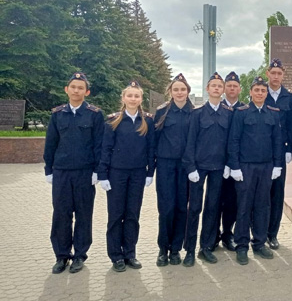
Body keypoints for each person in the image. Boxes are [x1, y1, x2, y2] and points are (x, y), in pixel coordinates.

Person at [43, 72, 104, 274]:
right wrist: (48, 169)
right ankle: (61, 256)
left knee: (84, 215)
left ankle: (79, 255)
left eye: (80, 87)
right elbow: (50, 144)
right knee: (61, 214)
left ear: (86, 92)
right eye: (73, 87)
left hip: (85, 173)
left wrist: (97, 171)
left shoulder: (95, 114)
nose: (76, 90)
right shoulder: (57, 114)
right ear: (66, 89)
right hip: (61, 172)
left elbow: (99, 145)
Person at [98, 81, 155, 272]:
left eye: (136, 96)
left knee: (132, 215)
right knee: (116, 215)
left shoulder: (147, 120)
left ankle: (130, 253)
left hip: (138, 174)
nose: (133, 99)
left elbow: (151, 149)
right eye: (129, 95)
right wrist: (103, 174)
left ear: (141, 99)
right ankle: (116, 256)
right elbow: (105, 149)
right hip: (116, 174)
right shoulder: (113, 120)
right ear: (123, 98)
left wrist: (150, 172)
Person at [227, 76, 283, 265]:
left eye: (263, 91)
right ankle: (241, 245)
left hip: (266, 166)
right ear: (250, 92)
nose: (260, 93)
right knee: (243, 206)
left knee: (262, 205)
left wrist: (277, 165)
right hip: (246, 167)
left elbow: (277, 141)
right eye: (256, 90)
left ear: (267, 94)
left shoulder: (273, 113)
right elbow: (233, 140)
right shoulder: (241, 113)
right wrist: (234, 166)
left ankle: (259, 243)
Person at [182, 72, 233, 266]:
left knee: (213, 208)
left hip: (218, 168)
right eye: (213, 85)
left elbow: (230, 142)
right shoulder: (197, 114)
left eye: (220, 86)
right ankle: (189, 249)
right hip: (199, 168)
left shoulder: (228, 113)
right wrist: (190, 167)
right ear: (207, 89)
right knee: (194, 208)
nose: (217, 89)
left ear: (223, 90)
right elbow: (190, 142)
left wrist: (229, 163)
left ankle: (205, 247)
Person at [153, 73, 194, 267]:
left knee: (181, 208)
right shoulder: (162, 112)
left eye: (183, 89)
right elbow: (154, 140)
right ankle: (163, 249)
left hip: (185, 167)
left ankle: (176, 249)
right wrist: (150, 168)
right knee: (166, 208)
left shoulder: (194, 112)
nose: (179, 92)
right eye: (176, 89)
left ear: (188, 92)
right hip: (165, 165)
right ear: (170, 91)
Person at [264, 58, 292, 250]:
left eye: (279, 73)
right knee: (260, 193)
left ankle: (272, 234)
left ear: (283, 75)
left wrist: (289, 148)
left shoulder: (288, 97)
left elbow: (291, 125)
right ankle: (258, 231)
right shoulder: (259, 92)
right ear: (268, 73)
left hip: (280, 151)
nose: (276, 76)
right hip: (261, 151)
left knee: (276, 193)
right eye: (273, 73)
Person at [213, 71, 246, 252]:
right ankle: (213, 234)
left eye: (235, 86)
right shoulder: (219, 106)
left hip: (237, 165)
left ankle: (228, 233)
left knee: (233, 201)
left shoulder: (244, 108)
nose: (232, 88)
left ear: (240, 89)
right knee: (216, 200)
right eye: (229, 85)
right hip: (217, 163)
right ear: (224, 88)